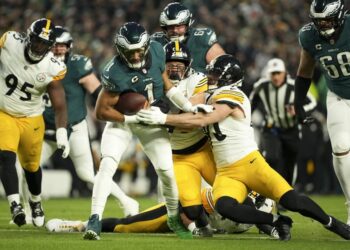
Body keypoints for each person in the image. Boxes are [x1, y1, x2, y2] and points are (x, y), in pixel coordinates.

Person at [137, 54, 350, 241]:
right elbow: (183, 102)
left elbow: (205, 119)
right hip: (227, 172)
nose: (210, 78)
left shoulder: (233, 94)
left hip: (250, 163)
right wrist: (161, 103)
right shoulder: (211, 94)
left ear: (229, 78)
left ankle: (332, 223)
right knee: (225, 206)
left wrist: (164, 119)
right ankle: (275, 220)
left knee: (291, 200)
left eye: (215, 75)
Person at [83, 22, 206, 240]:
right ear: (121, 50)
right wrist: (129, 118)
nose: (137, 55)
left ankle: (173, 217)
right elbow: (101, 112)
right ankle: (94, 219)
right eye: (131, 51)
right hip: (122, 121)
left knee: (167, 172)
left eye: (140, 49)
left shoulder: (158, 51)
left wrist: (189, 107)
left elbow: (168, 87)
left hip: (151, 119)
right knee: (107, 165)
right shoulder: (114, 71)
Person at [0, 18, 69, 227]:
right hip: (4, 112)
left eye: (44, 44)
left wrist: (61, 132)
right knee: (5, 155)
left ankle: (36, 201)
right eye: (37, 41)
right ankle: (15, 205)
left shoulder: (52, 66)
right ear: (28, 36)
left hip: (32, 117)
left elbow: (59, 103)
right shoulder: (10, 41)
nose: (39, 47)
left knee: (31, 167)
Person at [294, 0, 350, 225]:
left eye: (326, 20)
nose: (323, 25)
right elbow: (304, 71)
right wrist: (298, 103)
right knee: (339, 148)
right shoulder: (309, 36)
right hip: (338, 97)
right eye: (318, 21)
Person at [46, 188, 278, 239]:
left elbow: (267, 226)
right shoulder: (228, 197)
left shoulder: (259, 213)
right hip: (179, 212)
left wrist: (277, 231)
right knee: (126, 226)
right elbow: (190, 209)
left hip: (202, 222)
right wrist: (193, 229)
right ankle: (77, 224)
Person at [163, 40, 216, 236]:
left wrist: (162, 117)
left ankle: (269, 224)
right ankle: (200, 226)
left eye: (180, 64)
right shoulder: (155, 81)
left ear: (188, 65)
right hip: (176, 155)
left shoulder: (198, 79)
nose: (175, 68)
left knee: (228, 191)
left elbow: (194, 116)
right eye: (170, 64)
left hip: (203, 148)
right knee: (192, 209)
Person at [250, 58, 317, 186]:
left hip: (291, 128)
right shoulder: (261, 86)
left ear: (285, 73)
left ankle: (285, 193)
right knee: (271, 158)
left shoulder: (294, 86)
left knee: (289, 162)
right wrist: (246, 121)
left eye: (278, 73)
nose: (275, 77)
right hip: (271, 127)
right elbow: (250, 104)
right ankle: (268, 190)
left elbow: (313, 102)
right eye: (273, 73)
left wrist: (298, 110)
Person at [151, 2, 225, 73]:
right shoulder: (155, 41)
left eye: (179, 26)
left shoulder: (201, 38)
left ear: (187, 24)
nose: (175, 30)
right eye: (170, 27)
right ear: (164, 28)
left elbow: (223, 66)